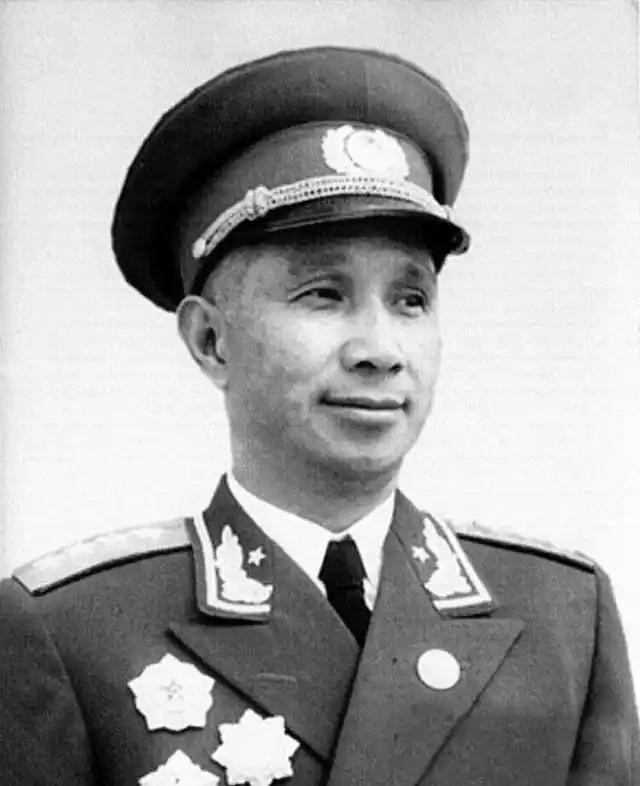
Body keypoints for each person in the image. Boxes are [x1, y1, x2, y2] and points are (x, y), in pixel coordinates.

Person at [0, 46, 637, 786]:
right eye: (323, 296)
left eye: (411, 300)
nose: (380, 350)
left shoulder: (561, 617)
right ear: (211, 341)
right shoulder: (74, 632)